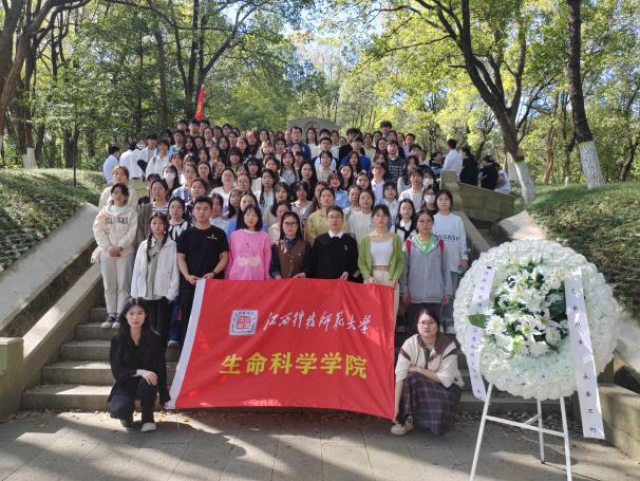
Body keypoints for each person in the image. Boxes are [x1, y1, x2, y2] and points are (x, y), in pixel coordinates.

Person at [392, 309, 463, 436]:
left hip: (448, 388)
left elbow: (446, 379)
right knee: (410, 377)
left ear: (437, 325)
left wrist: (420, 370)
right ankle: (406, 420)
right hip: (421, 385)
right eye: (423, 322)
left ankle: (429, 421)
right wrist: (396, 407)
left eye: (431, 322)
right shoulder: (410, 344)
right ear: (417, 326)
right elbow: (400, 377)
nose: (427, 326)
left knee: (415, 375)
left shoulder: (448, 345)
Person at [109, 299, 170, 432]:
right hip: (125, 382)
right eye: (131, 313)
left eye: (140, 313)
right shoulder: (117, 339)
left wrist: (164, 395)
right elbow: (117, 371)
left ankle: (148, 418)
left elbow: (160, 368)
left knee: (150, 378)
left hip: (147, 383)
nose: (135, 317)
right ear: (125, 316)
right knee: (121, 409)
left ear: (146, 315)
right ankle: (126, 415)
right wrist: (140, 371)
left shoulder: (155, 339)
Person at [176, 197, 229, 336]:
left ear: (211, 211)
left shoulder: (219, 233)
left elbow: (225, 257)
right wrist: (187, 276)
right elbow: (180, 258)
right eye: (198, 209)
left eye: (205, 209)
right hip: (190, 284)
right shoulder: (186, 234)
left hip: (213, 284)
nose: (201, 212)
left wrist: (213, 273)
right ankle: (187, 349)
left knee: (212, 321)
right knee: (188, 322)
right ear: (193, 211)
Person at [131, 213, 180, 348]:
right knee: (148, 327)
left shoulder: (172, 245)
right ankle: (148, 356)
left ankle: (160, 356)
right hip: (145, 293)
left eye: (160, 223)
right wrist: (135, 293)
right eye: (154, 223)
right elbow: (137, 270)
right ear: (149, 225)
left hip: (163, 294)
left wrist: (171, 293)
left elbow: (175, 271)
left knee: (162, 328)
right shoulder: (143, 245)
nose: (157, 226)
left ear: (165, 225)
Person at [93, 184, 138, 328]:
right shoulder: (104, 212)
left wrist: (120, 246)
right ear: (111, 195)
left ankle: (120, 315)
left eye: (121, 193)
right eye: (115, 192)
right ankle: (111, 314)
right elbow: (98, 230)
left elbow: (131, 233)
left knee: (123, 283)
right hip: (107, 253)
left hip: (125, 253)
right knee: (109, 284)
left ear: (126, 196)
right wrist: (108, 247)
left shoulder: (131, 212)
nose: (118, 195)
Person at [401, 209, 451, 335]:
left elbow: (446, 269)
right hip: (414, 297)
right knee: (415, 332)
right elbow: (404, 270)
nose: (425, 224)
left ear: (433, 223)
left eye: (428, 221)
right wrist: (404, 291)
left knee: (432, 332)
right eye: (421, 221)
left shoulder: (440, 243)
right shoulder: (409, 243)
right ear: (416, 223)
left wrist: (447, 292)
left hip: (435, 296)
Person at [358, 205, 404, 315]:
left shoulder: (396, 238)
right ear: (372, 218)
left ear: (388, 218)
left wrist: (395, 278)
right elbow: (361, 262)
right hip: (372, 279)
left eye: (384, 215)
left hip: (390, 279)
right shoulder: (365, 239)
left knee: (389, 314)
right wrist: (368, 277)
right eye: (377, 215)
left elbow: (400, 261)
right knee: (371, 314)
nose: (380, 218)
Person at [432, 190, 467, 333]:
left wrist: (464, 257)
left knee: (450, 293)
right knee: (437, 293)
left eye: (446, 199)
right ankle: (438, 321)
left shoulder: (457, 220)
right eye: (440, 199)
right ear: (436, 202)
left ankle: (449, 321)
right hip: (435, 263)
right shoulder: (432, 219)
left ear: (451, 202)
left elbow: (462, 240)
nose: (443, 202)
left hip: (453, 262)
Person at [308, 206, 359, 282]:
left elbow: (356, 262)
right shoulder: (319, 241)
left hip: (344, 283)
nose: (334, 220)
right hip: (324, 284)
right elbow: (312, 262)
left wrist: (348, 272)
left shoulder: (350, 241)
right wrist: (305, 272)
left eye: (338, 217)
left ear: (343, 220)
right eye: (331, 217)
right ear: (326, 220)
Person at [227, 205, 271, 280]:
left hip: (257, 278)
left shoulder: (264, 236)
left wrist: (266, 275)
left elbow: (267, 257)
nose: (250, 218)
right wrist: (227, 275)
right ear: (243, 216)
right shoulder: (234, 235)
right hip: (236, 277)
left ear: (259, 218)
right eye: (247, 215)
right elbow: (230, 257)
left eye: (254, 215)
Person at [270, 212, 312, 278]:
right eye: (286, 223)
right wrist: (277, 276)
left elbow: (309, 267)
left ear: (298, 226)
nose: (290, 226)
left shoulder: (306, 246)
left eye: (293, 223)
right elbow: (273, 267)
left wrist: (304, 273)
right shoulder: (276, 246)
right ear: (282, 225)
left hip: (300, 282)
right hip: (281, 283)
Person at [136, 179, 170, 244]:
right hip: (148, 244)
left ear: (166, 191)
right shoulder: (146, 208)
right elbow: (139, 228)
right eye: (154, 189)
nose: (157, 191)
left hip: (168, 244)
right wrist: (144, 244)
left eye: (160, 189)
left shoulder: (172, 207)